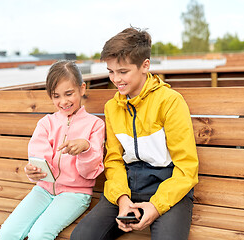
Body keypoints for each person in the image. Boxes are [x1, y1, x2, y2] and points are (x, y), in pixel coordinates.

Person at [70, 27, 199, 240]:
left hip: (169, 186)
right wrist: (121, 198)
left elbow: (186, 167)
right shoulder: (112, 107)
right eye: (111, 71)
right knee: (82, 237)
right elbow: (113, 159)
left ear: (144, 65)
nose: (116, 79)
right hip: (127, 186)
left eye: (123, 72)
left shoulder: (170, 102)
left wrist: (156, 207)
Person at [0, 60, 105, 240]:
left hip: (75, 194)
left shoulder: (95, 125)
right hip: (43, 190)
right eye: (56, 96)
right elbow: (38, 159)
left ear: (82, 89)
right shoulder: (46, 123)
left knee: (39, 235)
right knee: (7, 232)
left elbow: (89, 173)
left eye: (69, 94)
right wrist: (33, 171)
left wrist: (85, 148)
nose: (63, 102)